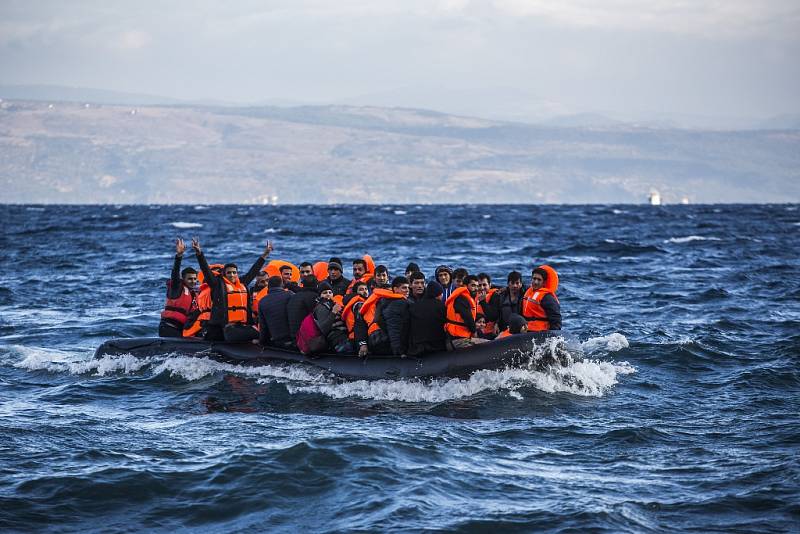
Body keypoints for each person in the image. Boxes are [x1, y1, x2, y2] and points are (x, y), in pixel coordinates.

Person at [193, 238, 272, 342]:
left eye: (234, 272)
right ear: (224, 274)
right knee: (260, 336)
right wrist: (199, 254)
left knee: (264, 334)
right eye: (229, 272)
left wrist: (264, 255)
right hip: (229, 328)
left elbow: (253, 271)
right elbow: (206, 271)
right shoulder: (218, 284)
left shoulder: (242, 283)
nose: (232, 275)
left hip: (243, 326)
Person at [355, 276, 408, 356]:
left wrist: (363, 344)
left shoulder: (368, 303)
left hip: (372, 338)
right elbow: (392, 327)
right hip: (382, 338)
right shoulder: (390, 303)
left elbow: (359, 326)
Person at [159, 238, 199, 338]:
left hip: (181, 330)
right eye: (190, 279)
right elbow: (175, 273)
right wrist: (179, 256)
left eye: (195, 279)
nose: (193, 281)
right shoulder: (176, 288)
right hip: (168, 328)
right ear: (183, 279)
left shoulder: (194, 294)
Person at [444, 274, 490, 350]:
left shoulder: (465, 297)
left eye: (477, 286)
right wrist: (474, 332)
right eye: (473, 286)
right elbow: (468, 317)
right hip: (458, 340)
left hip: (460, 338)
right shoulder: (461, 298)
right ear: (465, 286)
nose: (476, 288)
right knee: (489, 345)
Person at [407, 281, 447, 356]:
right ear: (438, 294)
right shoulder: (441, 306)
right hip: (437, 347)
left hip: (417, 347)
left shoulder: (413, 306)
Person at [312, 282, 352, 353]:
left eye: (330, 292)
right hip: (335, 337)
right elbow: (324, 329)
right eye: (325, 293)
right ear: (320, 295)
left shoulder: (333, 304)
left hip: (343, 334)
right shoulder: (321, 307)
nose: (328, 294)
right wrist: (333, 312)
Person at [520, 266, 562, 331]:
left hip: (540, 331)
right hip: (526, 328)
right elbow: (515, 288)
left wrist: (552, 335)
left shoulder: (547, 297)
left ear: (544, 282)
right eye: (534, 279)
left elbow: (556, 318)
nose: (536, 282)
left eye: (539, 280)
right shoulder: (528, 290)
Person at [258, 275, 293, 348]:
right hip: (294, 339)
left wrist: (261, 343)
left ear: (268, 287)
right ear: (282, 285)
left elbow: (263, 326)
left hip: (277, 341)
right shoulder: (290, 295)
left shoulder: (262, 301)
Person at [381, 276, 411, 356]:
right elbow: (394, 329)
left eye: (408, 287)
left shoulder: (389, 302)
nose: (407, 290)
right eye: (404, 288)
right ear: (395, 289)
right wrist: (399, 351)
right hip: (398, 348)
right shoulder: (398, 305)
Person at [287, 275, 319, 340]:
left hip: (293, 335)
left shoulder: (294, 296)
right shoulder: (314, 297)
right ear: (316, 284)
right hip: (306, 338)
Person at [341, 281, 370, 349]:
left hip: (353, 337)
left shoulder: (354, 302)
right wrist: (362, 343)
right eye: (361, 289)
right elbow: (359, 323)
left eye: (366, 289)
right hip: (358, 338)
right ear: (355, 292)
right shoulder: (359, 304)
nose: (365, 291)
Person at [477, 272, 500, 339]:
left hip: (489, 333)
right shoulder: (472, 296)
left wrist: (483, 302)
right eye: (479, 285)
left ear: (489, 285)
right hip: (475, 331)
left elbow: (493, 317)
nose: (482, 288)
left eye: (484, 285)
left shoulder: (495, 295)